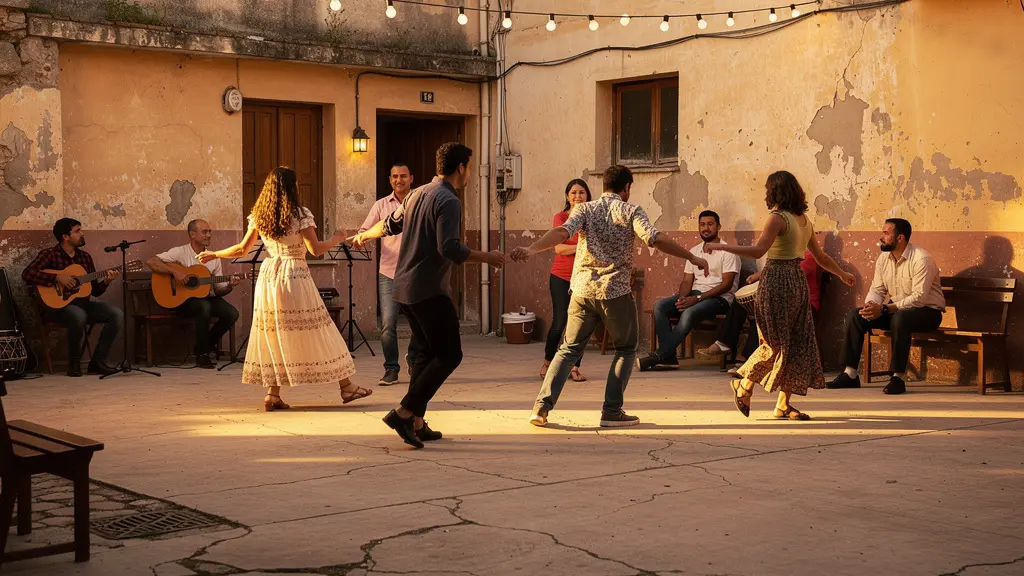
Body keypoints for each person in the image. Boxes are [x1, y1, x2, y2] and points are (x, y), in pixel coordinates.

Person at [510, 165, 709, 428]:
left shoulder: (583, 209)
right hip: (615, 292)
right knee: (626, 349)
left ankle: (541, 409)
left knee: (568, 350)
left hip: (581, 291)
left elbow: (562, 233)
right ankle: (611, 411)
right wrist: (691, 256)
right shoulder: (630, 210)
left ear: (603, 185)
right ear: (626, 188)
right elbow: (654, 238)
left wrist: (532, 248)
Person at [350, 143, 505, 449]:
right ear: (461, 167)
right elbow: (448, 247)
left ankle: (417, 423)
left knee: (423, 354)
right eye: (469, 167)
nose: (469, 173)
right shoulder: (448, 199)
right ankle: (405, 412)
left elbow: (391, 224)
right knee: (450, 354)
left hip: (403, 287)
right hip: (428, 290)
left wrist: (365, 235)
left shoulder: (417, 193)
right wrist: (488, 257)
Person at [199, 167, 371, 410]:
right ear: (293, 187)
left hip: (269, 274)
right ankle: (346, 386)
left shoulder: (260, 215)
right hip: (294, 274)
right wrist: (337, 237)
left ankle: (273, 394)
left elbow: (241, 250)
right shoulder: (300, 214)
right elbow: (316, 250)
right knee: (319, 328)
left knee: (276, 332)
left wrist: (214, 253)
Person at [704, 171, 855, 420]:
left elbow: (760, 251)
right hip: (787, 282)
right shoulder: (797, 219)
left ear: (774, 191)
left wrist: (840, 273)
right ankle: (744, 384)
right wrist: (840, 273)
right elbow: (814, 257)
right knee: (776, 344)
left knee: (796, 346)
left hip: (783, 281)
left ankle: (783, 404)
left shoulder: (782, 218)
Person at [827, 218, 945, 395]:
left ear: (900, 238)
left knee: (900, 318)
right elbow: (877, 289)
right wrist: (871, 306)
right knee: (855, 315)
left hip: (927, 312)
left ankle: (897, 377)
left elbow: (919, 298)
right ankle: (850, 374)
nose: (881, 237)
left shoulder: (922, 259)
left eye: (886, 233)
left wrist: (884, 309)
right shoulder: (884, 258)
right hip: (898, 310)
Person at [637, 210, 740, 371]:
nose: (706, 228)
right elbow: (687, 281)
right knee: (660, 306)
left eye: (710, 224)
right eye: (702, 224)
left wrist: (697, 299)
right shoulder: (694, 251)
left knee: (689, 313)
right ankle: (669, 357)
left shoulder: (728, 251)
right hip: (696, 295)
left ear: (719, 226)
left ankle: (660, 355)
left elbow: (726, 285)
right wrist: (682, 298)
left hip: (720, 299)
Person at [22, 218, 122, 377]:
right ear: (65, 236)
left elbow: (95, 290)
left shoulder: (85, 258)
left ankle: (97, 361)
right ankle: (74, 363)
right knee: (78, 315)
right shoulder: (49, 254)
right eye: (77, 231)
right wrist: (56, 278)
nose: (82, 234)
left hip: (82, 304)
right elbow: (27, 274)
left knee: (116, 314)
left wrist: (108, 280)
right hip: (56, 309)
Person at [698, 250, 822, 370]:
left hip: (803, 304)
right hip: (781, 303)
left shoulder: (807, 256)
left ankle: (748, 360)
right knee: (740, 300)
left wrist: (759, 275)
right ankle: (724, 343)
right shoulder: (783, 257)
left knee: (763, 314)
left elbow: (787, 278)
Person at [146, 219, 240, 369]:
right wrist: (175, 271)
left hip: (206, 298)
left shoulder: (213, 257)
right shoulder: (180, 252)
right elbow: (151, 261)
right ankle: (201, 355)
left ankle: (205, 346)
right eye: (204, 232)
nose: (208, 235)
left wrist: (230, 285)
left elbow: (218, 290)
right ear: (192, 234)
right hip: (182, 301)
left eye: (210, 231)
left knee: (232, 313)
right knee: (204, 307)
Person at [359, 162, 416, 386]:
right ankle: (391, 368)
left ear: (411, 178)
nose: (398, 180)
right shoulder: (381, 205)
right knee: (388, 323)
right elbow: (365, 229)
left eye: (403, 176)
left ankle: (413, 360)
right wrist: (362, 238)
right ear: (390, 180)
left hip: (415, 272)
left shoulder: (419, 202)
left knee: (418, 324)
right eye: (394, 176)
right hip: (389, 273)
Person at [542, 179, 591, 382]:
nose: (577, 196)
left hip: (584, 278)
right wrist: (583, 247)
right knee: (560, 322)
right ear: (567, 196)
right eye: (573, 193)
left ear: (587, 195)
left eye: (581, 193)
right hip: (561, 277)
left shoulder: (591, 218)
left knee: (580, 325)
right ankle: (547, 363)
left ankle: (574, 368)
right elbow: (559, 248)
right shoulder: (561, 217)